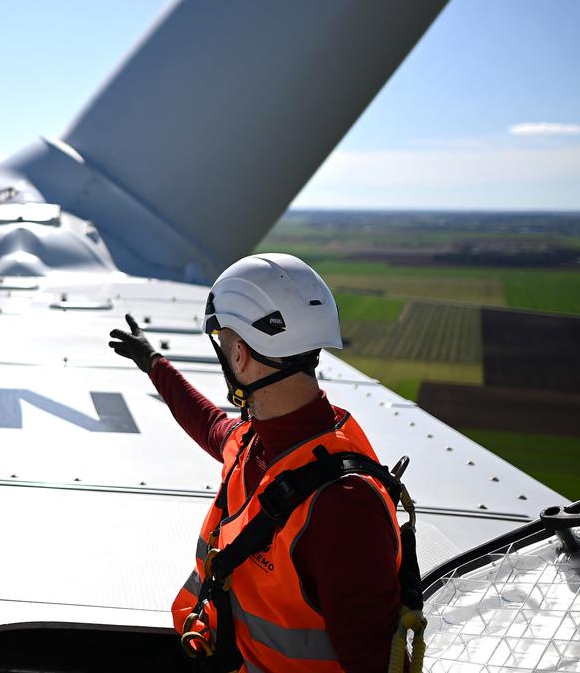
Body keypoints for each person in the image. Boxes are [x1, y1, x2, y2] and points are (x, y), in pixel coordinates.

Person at [109, 253, 405, 673]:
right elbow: (211, 425)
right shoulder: (259, 441)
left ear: (240, 355)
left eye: (224, 344)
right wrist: (154, 364)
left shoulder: (344, 507)